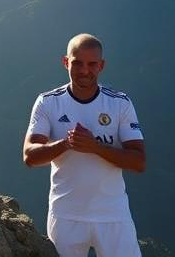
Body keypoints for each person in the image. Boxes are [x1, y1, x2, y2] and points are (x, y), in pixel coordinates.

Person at [23, 33, 145, 257]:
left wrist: (95, 147)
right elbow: (30, 156)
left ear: (102, 65)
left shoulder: (119, 103)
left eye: (92, 64)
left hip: (113, 215)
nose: (84, 70)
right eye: (77, 63)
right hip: (65, 215)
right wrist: (66, 143)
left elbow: (139, 161)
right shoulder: (48, 101)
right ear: (65, 62)